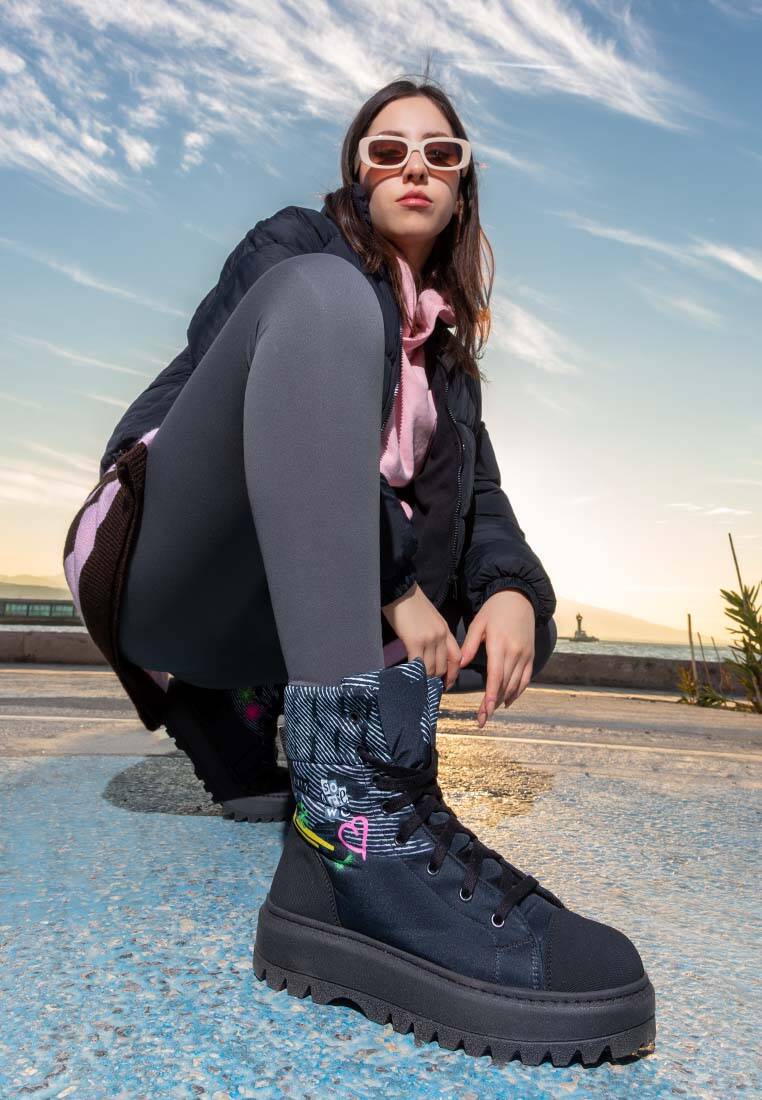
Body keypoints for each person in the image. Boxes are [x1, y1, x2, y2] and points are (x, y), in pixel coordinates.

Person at [71, 76, 655, 1065]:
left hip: (274, 606)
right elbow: (269, 437)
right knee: (325, 300)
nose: (414, 167)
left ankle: (258, 733)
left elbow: (483, 509)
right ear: (358, 172)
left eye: (440, 153)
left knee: (501, 617)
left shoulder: (451, 368)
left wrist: (514, 591)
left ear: (463, 187)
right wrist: (394, 580)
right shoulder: (296, 249)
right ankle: (355, 826)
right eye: (389, 150)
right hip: (163, 553)